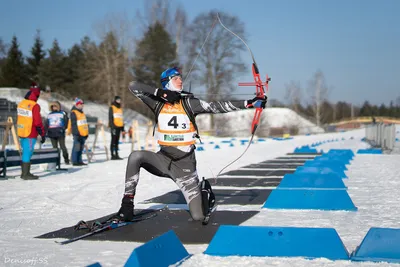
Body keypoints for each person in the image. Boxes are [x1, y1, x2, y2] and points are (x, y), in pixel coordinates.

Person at [114, 67, 267, 222]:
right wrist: (161, 93)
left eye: (180, 78)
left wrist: (249, 103)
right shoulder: (157, 103)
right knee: (136, 156)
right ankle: (127, 205)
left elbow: (216, 107)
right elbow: (133, 86)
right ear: (167, 83)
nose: (180, 80)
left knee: (198, 216)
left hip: (185, 169)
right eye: (176, 78)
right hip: (163, 161)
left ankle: (204, 191)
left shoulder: (189, 103)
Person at [16, 82, 46, 180]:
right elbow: (37, 122)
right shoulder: (34, 106)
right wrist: (42, 133)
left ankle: (25, 172)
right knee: (28, 152)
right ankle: (25, 174)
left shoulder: (21, 103)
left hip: (21, 131)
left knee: (25, 151)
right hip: (30, 132)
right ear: (37, 95)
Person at [70, 97, 89, 166]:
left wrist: (86, 133)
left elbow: (84, 123)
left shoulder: (82, 113)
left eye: (82, 104)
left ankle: (79, 160)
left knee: (81, 148)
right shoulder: (74, 112)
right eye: (80, 104)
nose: (82, 105)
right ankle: (75, 161)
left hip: (83, 133)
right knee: (77, 147)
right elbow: (74, 125)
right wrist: (76, 133)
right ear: (77, 105)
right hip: (77, 134)